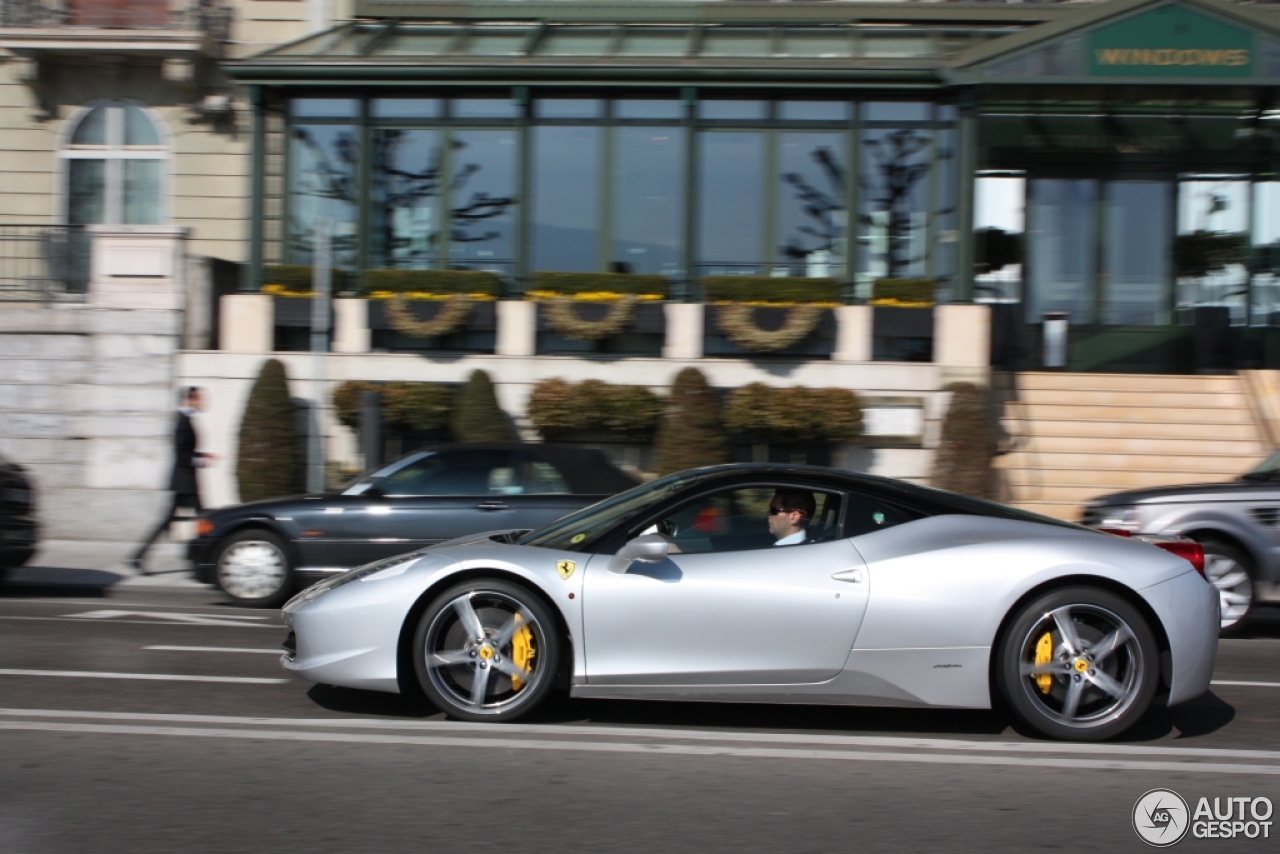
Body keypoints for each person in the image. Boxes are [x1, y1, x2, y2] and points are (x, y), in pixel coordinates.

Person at [128, 387, 215, 573]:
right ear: (188, 400)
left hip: (184, 481)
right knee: (204, 519)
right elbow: (183, 455)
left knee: (169, 521)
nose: (201, 402)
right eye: (198, 398)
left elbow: (186, 452)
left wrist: (201, 455)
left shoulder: (185, 419)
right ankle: (202, 560)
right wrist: (201, 459)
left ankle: (138, 556)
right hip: (185, 482)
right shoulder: (183, 422)